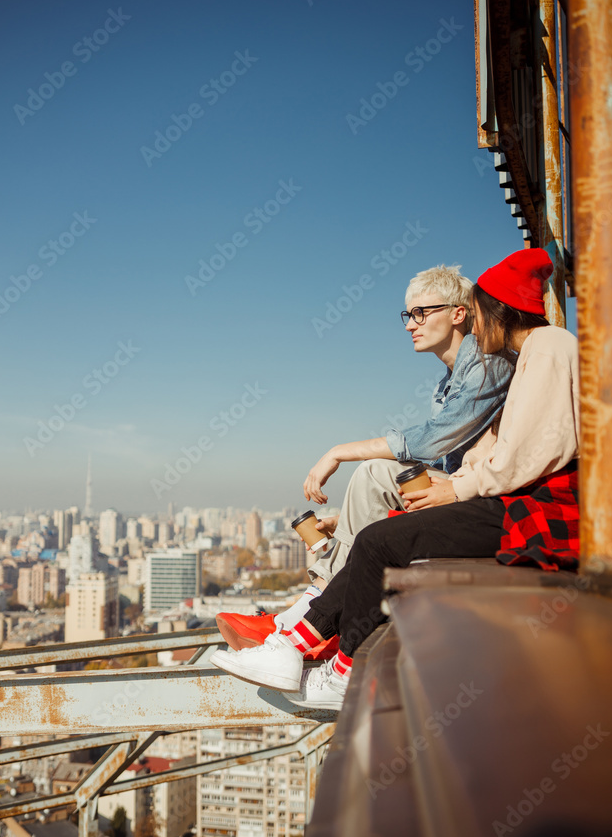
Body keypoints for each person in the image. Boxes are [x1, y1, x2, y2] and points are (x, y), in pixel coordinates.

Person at [210, 248, 580, 710]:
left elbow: (526, 453)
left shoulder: (541, 350)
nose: (476, 326)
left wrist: (456, 489)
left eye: (478, 312)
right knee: (378, 533)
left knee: (379, 538)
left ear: (492, 309)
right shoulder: (531, 353)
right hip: (516, 498)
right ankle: (294, 641)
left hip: (533, 506)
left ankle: (329, 660)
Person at [216, 264, 514, 651]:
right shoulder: (447, 382)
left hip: (492, 503)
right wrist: (348, 518)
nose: (410, 325)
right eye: (408, 315)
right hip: (463, 488)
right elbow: (443, 463)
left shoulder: (489, 365)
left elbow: (433, 440)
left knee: (374, 472)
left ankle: (302, 622)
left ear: (458, 313)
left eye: (421, 313)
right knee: (375, 481)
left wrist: (339, 452)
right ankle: (305, 617)